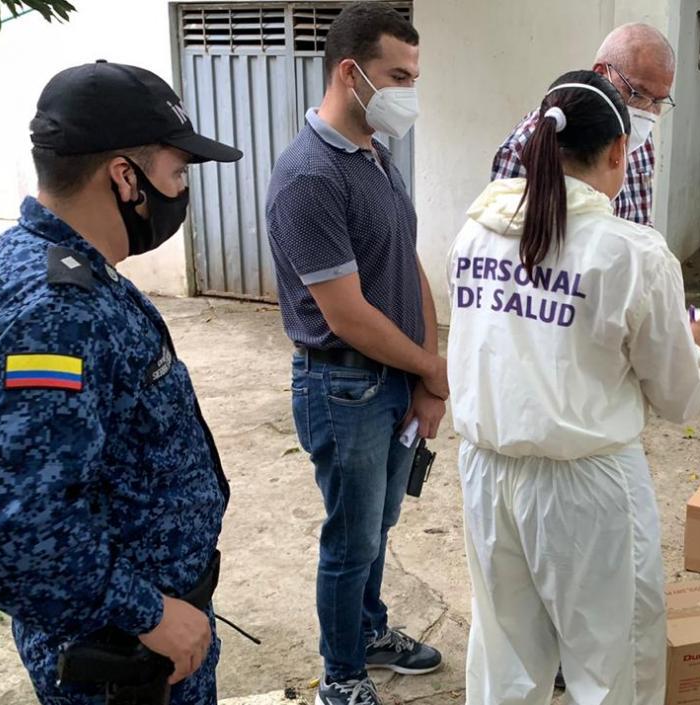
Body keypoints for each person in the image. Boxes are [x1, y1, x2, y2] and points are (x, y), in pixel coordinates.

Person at [0, 61, 243, 705]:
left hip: (142, 643)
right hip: (125, 660)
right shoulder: (53, 312)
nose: (181, 191)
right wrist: (149, 613)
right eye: (177, 173)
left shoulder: (53, 262)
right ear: (126, 178)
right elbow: (15, 533)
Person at [448, 70, 700, 705]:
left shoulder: (475, 230)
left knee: (504, 660)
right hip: (587, 488)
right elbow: (677, 395)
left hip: (487, 474)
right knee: (612, 664)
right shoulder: (631, 253)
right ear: (620, 152)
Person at [264, 3, 444, 704]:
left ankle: (368, 631)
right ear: (350, 72)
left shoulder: (376, 153)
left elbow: (407, 264)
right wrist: (427, 367)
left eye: (415, 75)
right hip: (345, 390)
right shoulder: (309, 176)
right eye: (398, 75)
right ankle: (340, 677)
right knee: (350, 540)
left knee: (378, 524)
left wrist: (429, 366)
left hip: (394, 383)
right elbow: (348, 315)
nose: (410, 92)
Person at [491, 23, 676, 228]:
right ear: (602, 73)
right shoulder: (524, 147)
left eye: (658, 101)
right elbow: (507, 245)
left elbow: (640, 222)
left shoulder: (640, 133)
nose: (648, 112)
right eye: (638, 94)